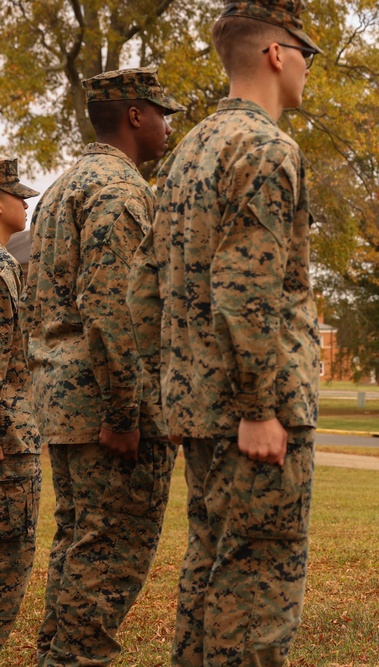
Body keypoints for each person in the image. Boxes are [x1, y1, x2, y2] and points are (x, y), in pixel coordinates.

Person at [127, 1, 322, 663]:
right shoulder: (266, 147)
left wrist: (173, 393)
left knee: (208, 572)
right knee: (258, 588)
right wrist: (257, 407)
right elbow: (247, 287)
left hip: (201, 409)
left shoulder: (187, 151)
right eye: (306, 53)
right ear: (276, 53)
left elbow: (145, 287)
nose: (307, 69)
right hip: (251, 416)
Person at [22, 67, 184, 665]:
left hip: (62, 401)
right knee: (108, 554)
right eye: (162, 114)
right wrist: (125, 413)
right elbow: (114, 311)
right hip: (105, 410)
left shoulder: (63, 187)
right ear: (136, 116)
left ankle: (55, 657)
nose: (168, 127)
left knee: (76, 544)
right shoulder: (119, 191)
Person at [0, 158, 41, 649]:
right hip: (8, 442)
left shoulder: (9, 262)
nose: (26, 201)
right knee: (10, 561)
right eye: (16, 193)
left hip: (16, 433)